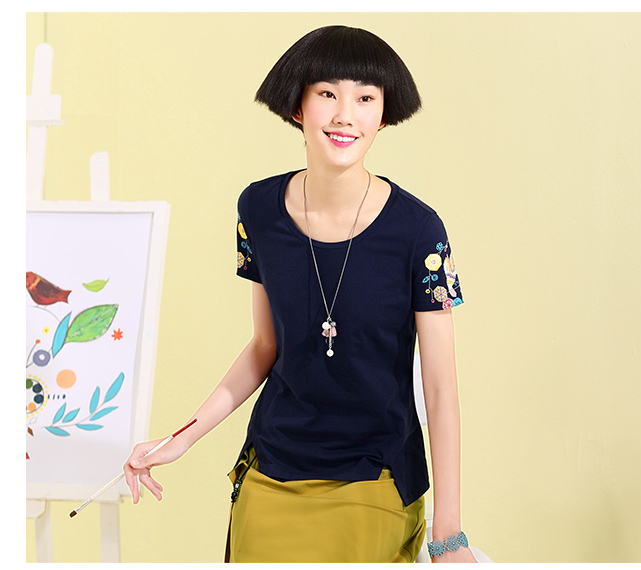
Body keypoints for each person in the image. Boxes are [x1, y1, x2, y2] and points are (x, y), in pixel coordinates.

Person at [123, 25, 476, 563]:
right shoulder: (258, 210)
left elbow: (441, 388)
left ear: (383, 115)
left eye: (365, 98)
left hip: (376, 477)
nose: (345, 115)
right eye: (328, 94)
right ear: (298, 107)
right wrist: (180, 439)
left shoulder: (419, 231)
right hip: (272, 470)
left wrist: (449, 536)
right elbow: (264, 347)